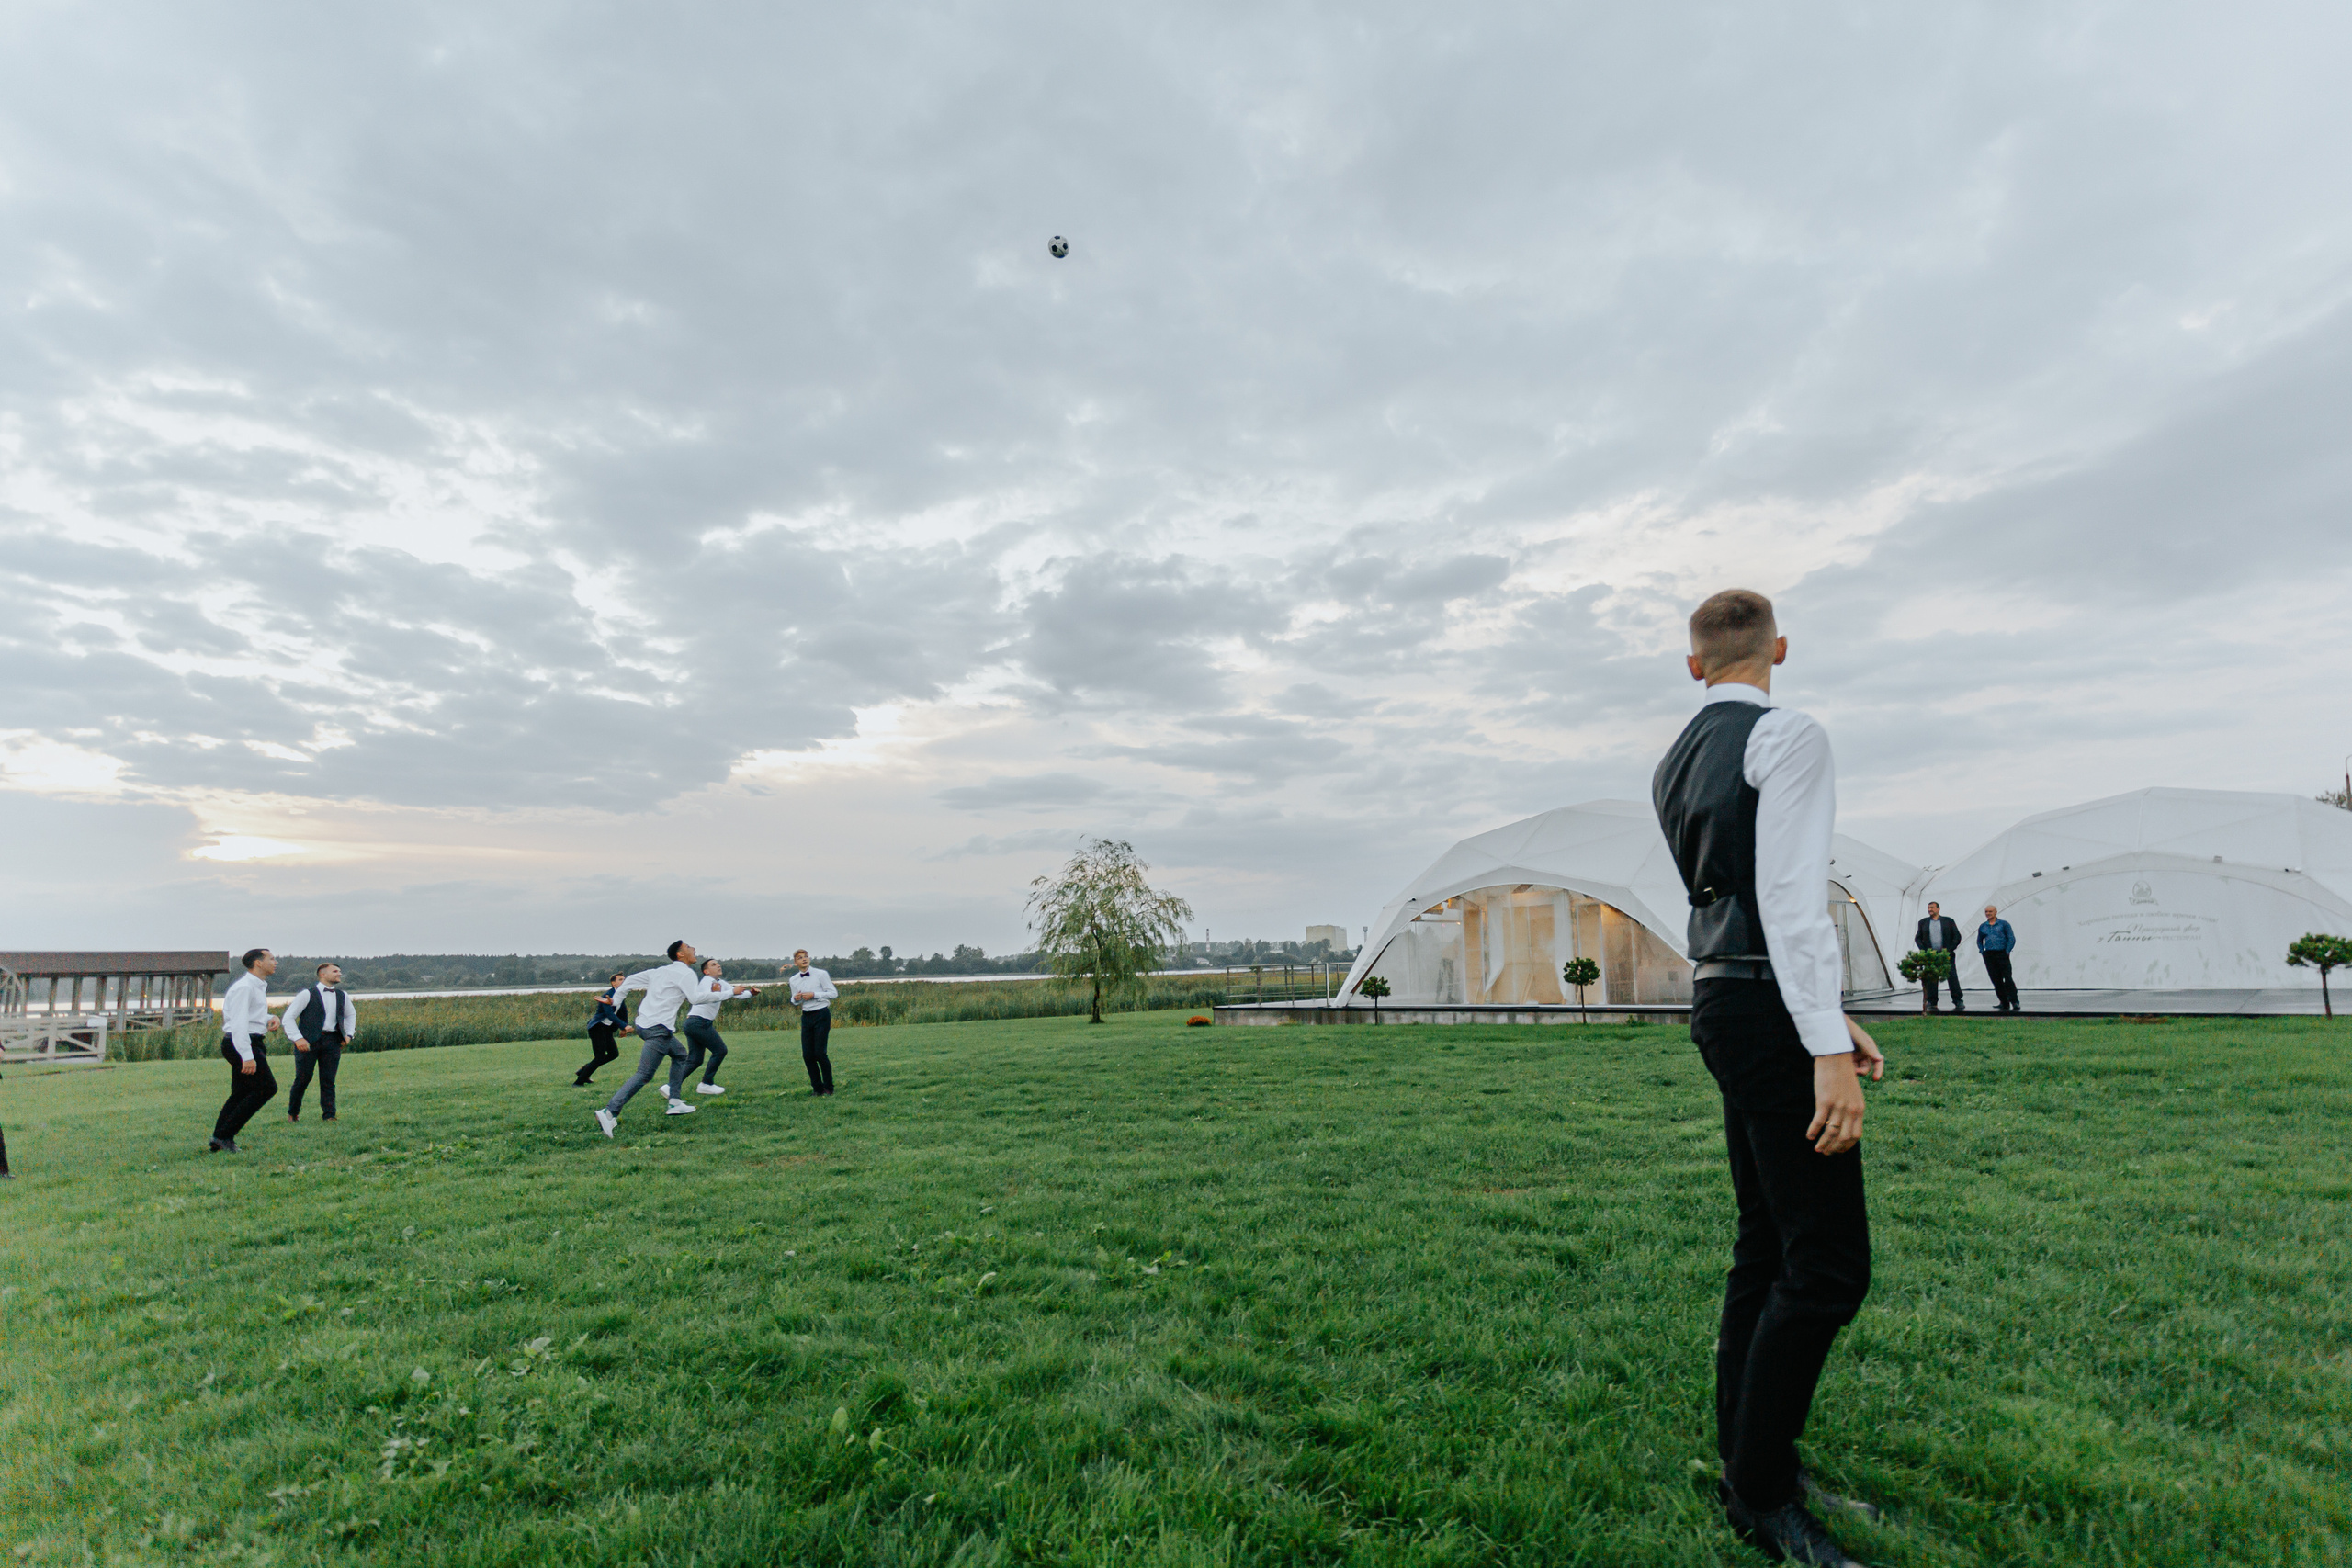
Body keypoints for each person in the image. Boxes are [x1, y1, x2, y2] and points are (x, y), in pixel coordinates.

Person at [1651, 588, 1886, 1568]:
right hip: (1762, 1008)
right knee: (1828, 1265)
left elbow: (1735, 896)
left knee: (1766, 1241)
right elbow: (1790, 893)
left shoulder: (1671, 760)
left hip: (1725, 999)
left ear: (1693, 664)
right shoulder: (1787, 736)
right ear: (1778, 648)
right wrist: (1823, 1047)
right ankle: (1758, 1489)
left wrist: (1825, 1015)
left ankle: (1752, 1462)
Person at [594, 942, 706, 1137]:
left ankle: (675, 1102)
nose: (694, 948)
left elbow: (628, 982)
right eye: (689, 946)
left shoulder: (659, 972)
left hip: (645, 1026)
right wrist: (732, 992)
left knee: (680, 1055)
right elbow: (695, 999)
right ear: (680, 954)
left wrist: (616, 1001)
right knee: (644, 1074)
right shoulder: (685, 974)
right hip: (658, 1030)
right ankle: (609, 1111)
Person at [211, 948, 283, 1153]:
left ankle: (220, 1139)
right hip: (242, 1042)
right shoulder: (245, 987)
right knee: (267, 1088)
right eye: (271, 958)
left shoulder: (257, 986)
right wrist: (247, 1056)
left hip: (250, 1041)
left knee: (241, 1092)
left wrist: (270, 1017)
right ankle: (224, 1136)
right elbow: (239, 1023)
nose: (275, 962)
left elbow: (251, 1015)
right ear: (258, 963)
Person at [284, 962, 358, 1122]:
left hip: (332, 1041)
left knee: (328, 1080)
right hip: (308, 1041)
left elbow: (351, 1015)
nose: (339, 973)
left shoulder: (342, 995)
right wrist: (298, 1038)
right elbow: (288, 1018)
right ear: (322, 974)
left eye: (339, 971)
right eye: (335, 971)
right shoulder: (306, 994)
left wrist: (349, 1034)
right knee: (303, 1079)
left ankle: (329, 1115)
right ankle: (293, 1113)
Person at [679, 958, 757, 1096]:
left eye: (718, 963)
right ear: (706, 971)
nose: (718, 966)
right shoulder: (706, 983)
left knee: (695, 1060)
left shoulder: (720, 983)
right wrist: (733, 992)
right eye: (714, 965)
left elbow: (737, 994)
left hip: (693, 1023)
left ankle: (670, 1086)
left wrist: (751, 993)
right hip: (699, 1022)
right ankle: (706, 1083)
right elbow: (715, 997)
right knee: (720, 1050)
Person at [789, 949, 838, 1096]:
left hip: (821, 1013)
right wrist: (796, 999)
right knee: (807, 1055)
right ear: (795, 962)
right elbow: (794, 1000)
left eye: (806, 957)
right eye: (800, 958)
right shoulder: (793, 980)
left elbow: (833, 994)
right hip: (806, 1016)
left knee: (820, 1053)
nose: (804, 959)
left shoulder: (821, 974)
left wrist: (814, 995)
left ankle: (829, 1087)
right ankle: (817, 1089)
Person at [575, 972, 635, 1086]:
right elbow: (610, 1014)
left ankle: (583, 1071)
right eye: (620, 980)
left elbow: (623, 1012)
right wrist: (624, 1026)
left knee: (613, 1054)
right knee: (600, 1057)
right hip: (597, 1028)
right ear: (613, 983)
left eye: (624, 979)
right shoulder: (607, 996)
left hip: (606, 1029)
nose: (623, 981)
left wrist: (623, 1027)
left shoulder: (620, 995)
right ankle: (579, 1082)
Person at [1915, 901, 1965, 1013]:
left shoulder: (1948, 921)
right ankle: (1932, 1001)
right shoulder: (1923, 923)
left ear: (1938, 909)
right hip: (1931, 955)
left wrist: (1949, 949)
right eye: (1928, 908)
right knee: (1931, 977)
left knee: (1951, 976)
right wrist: (1925, 950)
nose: (1930, 910)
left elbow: (1956, 936)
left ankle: (1958, 1000)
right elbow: (1918, 938)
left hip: (1946, 955)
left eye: (1932, 908)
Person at [1977, 905, 2020, 1013]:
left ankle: (2014, 1001)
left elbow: (2011, 938)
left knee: (2008, 978)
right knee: (1996, 980)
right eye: (1986, 911)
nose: (1988, 913)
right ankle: (2004, 1002)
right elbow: (1979, 940)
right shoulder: (1983, 926)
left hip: (2002, 953)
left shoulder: (2004, 924)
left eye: (1990, 911)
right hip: (1989, 955)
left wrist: (2007, 951)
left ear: (1995, 912)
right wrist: (1982, 950)